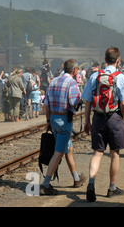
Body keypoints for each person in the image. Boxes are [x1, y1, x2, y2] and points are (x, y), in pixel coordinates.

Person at [82, 47, 124, 202]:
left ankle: (91, 184)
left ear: (105, 59)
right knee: (114, 153)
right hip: (114, 117)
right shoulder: (122, 77)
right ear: (118, 60)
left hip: (98, 118)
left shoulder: (95, 76)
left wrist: (87, 121)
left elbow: (88, 102)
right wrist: (122, 117)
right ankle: (112, 187)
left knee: (97, 153)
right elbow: (123, 103)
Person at [40, 59, 86, 196]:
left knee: (68, 149)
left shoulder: (53, 81)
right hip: (64, 120)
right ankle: (45, 185)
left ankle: (77, 179)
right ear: (75, 70)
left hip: (53, 118)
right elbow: (73, 101)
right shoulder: (72, 83)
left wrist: (48, 120)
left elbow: (46, 104)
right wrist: (80, 98)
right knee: (59, 151)